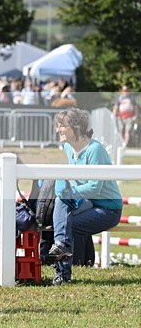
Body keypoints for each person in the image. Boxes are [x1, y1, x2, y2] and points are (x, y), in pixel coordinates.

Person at [46, 108, 123, 285]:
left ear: (77, 127)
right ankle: (62, 268)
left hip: (108, 209)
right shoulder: (68, 147)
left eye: (62, 125)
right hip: (87, 203)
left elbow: (95, 188)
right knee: (62, 206)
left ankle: (62, 274)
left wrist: (68, 192)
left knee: (66, 226)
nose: (57, 129)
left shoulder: (95, 150)